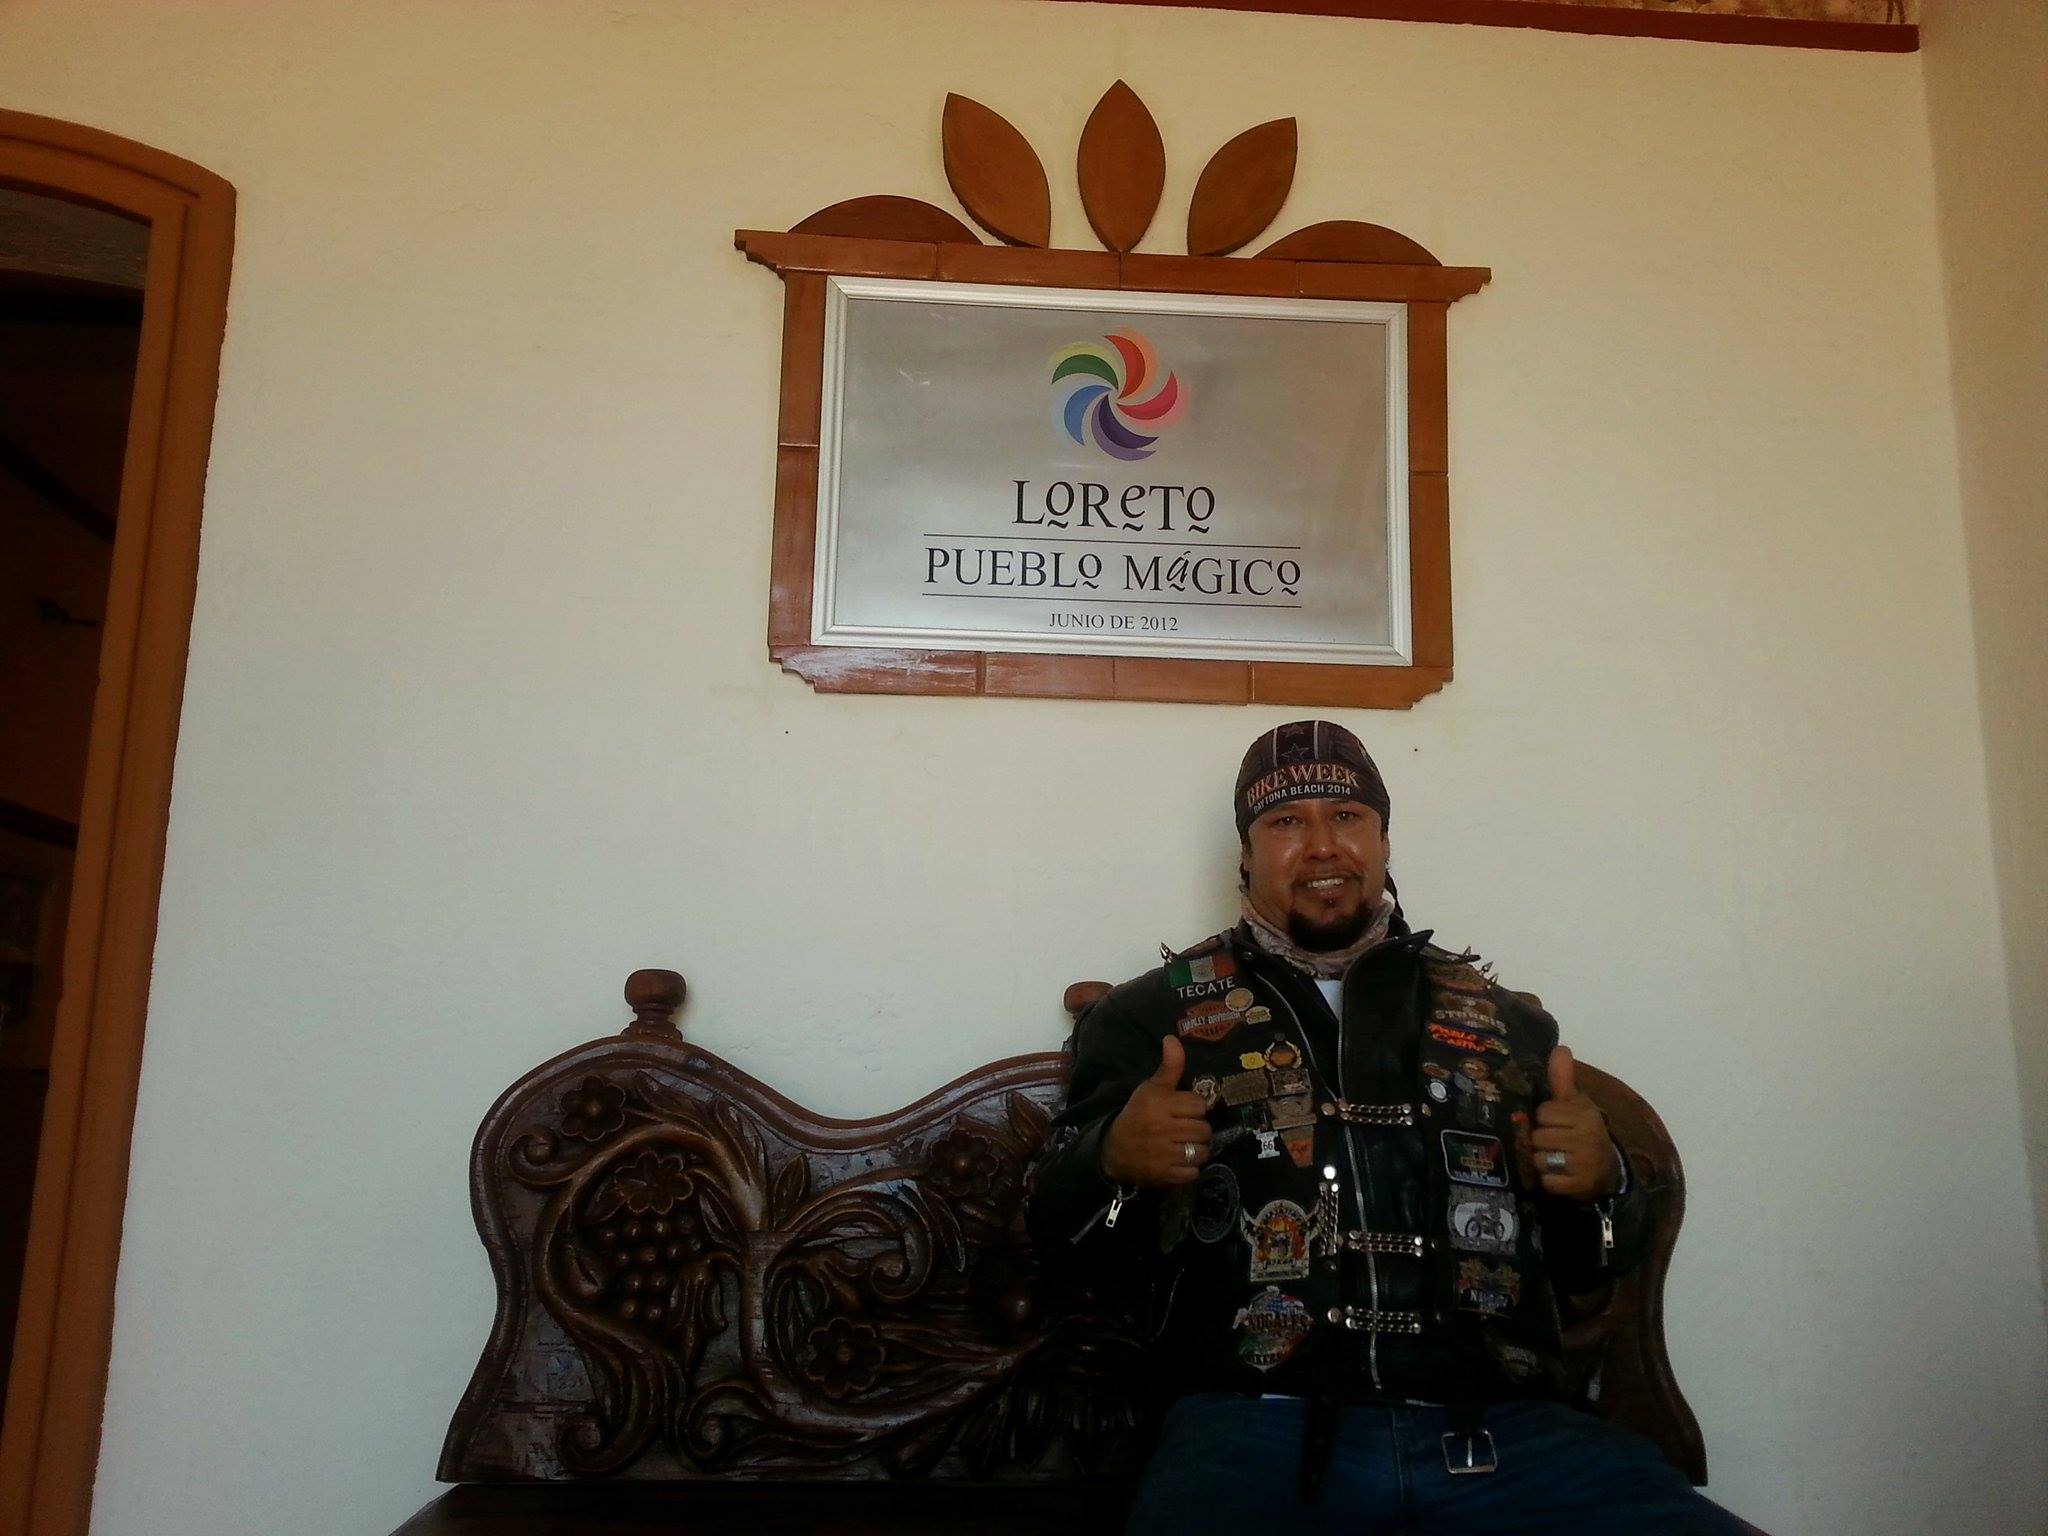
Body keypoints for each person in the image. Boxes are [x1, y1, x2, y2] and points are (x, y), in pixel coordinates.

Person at [1025, 720, 1746, 1535]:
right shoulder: (1150, 1017)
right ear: (1246, 855)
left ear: (1384, 841)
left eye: (1348, 816)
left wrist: (1602, 1182)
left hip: (1505, 1431)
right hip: (1253, 1427)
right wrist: (1111, 1162)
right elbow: (1056, 1238)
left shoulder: (1504, 1026)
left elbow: (1596, 1265)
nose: (1322, 845)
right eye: (1287, 822)